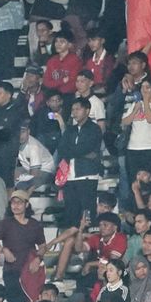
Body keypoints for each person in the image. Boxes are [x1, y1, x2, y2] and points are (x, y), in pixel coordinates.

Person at [57, 98, 103, 229]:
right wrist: (81, 153)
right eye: (73, 109)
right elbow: (62, 149)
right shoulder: (70, 130)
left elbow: (86, 148)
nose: (74, 112)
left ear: (87, 111)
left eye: (78, 109)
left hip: (87, 176)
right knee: (71, 213)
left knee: (87, 213)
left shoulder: (94, 129)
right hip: (70, 176)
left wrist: (74, 151)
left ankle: (88, 245)